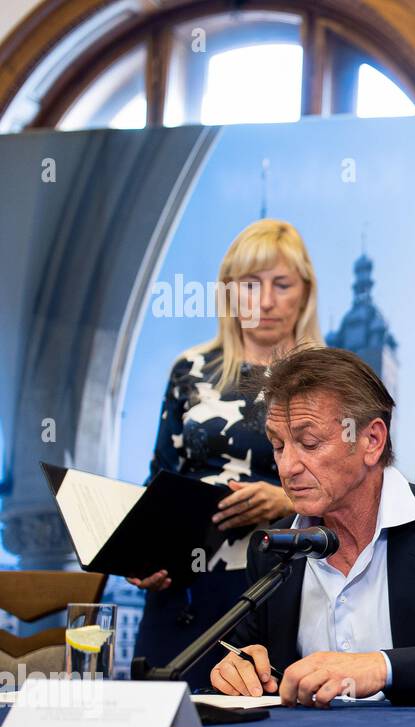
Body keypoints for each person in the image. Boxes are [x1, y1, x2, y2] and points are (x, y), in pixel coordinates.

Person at [209, 347, 415, 707]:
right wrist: (240, 667)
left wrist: (380, 667)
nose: (287, 466)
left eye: (308, 443)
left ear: (371, 441)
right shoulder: (275, 547)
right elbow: (249, 657)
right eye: (277, 446)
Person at [129, 220, 323, 674]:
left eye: (281, 284)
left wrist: (285, 499)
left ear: (305, 292)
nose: (267, 300)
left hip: (282, 588)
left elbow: (362, 493)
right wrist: (139, 553)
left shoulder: (329, 378)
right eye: (251, 285)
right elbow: (159, 479)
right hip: (183, 590)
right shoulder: (189, 370)